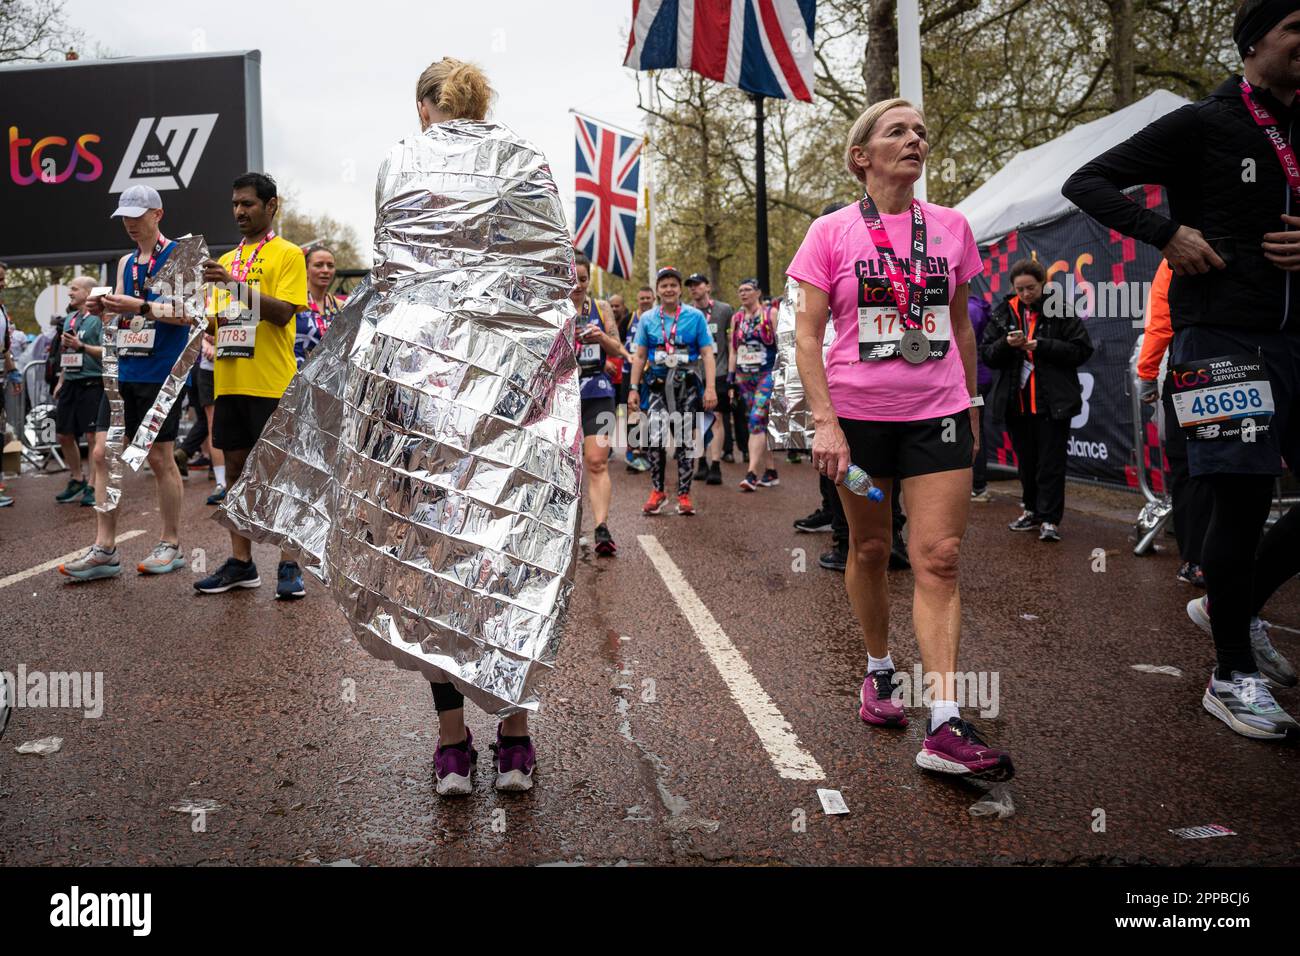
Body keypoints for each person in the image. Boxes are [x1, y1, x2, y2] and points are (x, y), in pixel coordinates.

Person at [1063, 0, 1300, 737]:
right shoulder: (1204, 123)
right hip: (1218, 340)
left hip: (1295, 341)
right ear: (1255, 39)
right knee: (1240, 500)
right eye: (1298, 28)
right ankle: (1231, 674)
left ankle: (1232, 604)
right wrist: (1164, 232)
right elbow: (1089, 181)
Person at [791, 97, 1013, 779]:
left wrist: (972, 402)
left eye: (921, 129)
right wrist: (825, 421)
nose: (915, 138)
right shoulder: (829, 233)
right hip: (857, 428)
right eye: (897, 131)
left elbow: (962, 326)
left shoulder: (951, 228)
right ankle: (879, 670)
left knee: (939, 555)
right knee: (870, 544)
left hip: (938, 414)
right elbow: (806, 334)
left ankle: (944, 720)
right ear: (863, 156)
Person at [59, 187, 191, 579]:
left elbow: (187, 313)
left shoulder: (179, 256)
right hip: (124, 371)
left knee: (158, 458)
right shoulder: (125, 262)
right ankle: (104, 548)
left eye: (138, 215)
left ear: (158, 214)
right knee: (101, 454)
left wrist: (139, 305)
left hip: (161, 372)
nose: (131, 224)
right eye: (125, 217)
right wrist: (103, 310)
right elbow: (121, 321)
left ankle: (170, 543)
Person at [194, 172, 309, 600]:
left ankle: (289, 564)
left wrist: (231, 285)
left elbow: (281, 314)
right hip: (229, 383)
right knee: (236, 477)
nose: (240, 211)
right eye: (235, 205)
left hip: (271, 383)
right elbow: (214, 324)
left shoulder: (289, 254)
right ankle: (242, 564)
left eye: (248, 204)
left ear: (271, 206)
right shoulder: (227, 260)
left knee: (283, 477)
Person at [979, 258, 1093, 542]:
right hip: (1016, 404)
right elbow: (987, 355)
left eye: (1031, 288)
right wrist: (1007, 344)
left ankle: (1050, 520)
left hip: (1052, 402)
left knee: (1051, 463)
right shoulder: (1004, 312)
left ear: (1043, 284)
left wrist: (1042, 346)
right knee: (1027, 462)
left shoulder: (1061, 310)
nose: (1026, 294)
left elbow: (1081, 350)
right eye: (1020, 289)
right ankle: (1031, 510)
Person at [1138, 260, 1212, 587]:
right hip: (1245, 367)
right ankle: (1219, 558)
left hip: (1194, 370)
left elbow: (1162, 319)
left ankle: (1196, 560)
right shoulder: (1264, 239)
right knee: (1236, 469)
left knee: (1190, 468)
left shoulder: (1179, 252)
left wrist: (1147, 373)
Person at [629, 266, 717, 515]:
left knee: (685, 440)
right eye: (664, 285)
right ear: (658, 290)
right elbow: (639, 356)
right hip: (656, 387)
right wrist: (633, 389)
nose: (668, 289)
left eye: (673, 285)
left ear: (679, 289)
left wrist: (710, 388)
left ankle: (684, 495)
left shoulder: (695, 316)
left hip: (686, 387)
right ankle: (658, 491)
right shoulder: (647, 319)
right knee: (654, 438)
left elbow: (708, 354)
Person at [572, 252, 626, 556]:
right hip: (563, 398)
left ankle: (601, 527)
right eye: (573, 278)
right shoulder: (555, 308)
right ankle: (567, 528)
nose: (578, 285)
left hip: (598, 391)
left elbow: (618, 350)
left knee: (596, 461)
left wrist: (601, 338)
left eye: (582, 279)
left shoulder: (601, 308)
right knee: (567, 468)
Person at [52, 277, 103, 506]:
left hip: (92, 382)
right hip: (71, 381)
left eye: (74, 289)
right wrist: (61, 380)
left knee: (92, 436)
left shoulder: (100, 319)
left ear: (89, 292)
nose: (69, 293)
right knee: (63, 433)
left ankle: (92, 485)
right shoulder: (70, 320)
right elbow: (66, 352)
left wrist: (81, 346)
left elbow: (106, 351)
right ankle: (77, 478)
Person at [728, 277, 779, 490]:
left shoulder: (770, 314)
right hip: (744, 377)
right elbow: (733, 350)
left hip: (766, 374)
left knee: (756, 420)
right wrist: (731, 379)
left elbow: (782, 345)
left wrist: (782, 375)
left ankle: (751, 474)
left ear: (758, 292)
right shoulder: (737, 318)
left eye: (748, 289)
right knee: (759, 423)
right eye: (740, 290)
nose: (743, 293)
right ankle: (771, 471)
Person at [686, 272, 732, 484]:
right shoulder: (686, 313)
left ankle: (716, 464)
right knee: (695, 420)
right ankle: (701, 461)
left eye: (697, 284)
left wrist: (733, 373)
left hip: (719, 371)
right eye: (690, 286)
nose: (693, 289)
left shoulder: (724, 310)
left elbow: (731, 341)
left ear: (708, 287)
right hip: (694, 372)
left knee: (717, 418)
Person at [622, 287, 654, 473]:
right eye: (641, 298)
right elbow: (618, 341)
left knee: (649, 413)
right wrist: (627, 356)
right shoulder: (629, 319)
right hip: (630, 373)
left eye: (647, 298)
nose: (644, 301)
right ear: (637, 299)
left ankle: (648, 451)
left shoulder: (657, 319)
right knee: (632, 413)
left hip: (650, 373)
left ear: (653, 298)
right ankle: (633, 451)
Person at [295, 244, 342, 369]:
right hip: (293, 378)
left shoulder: (340, 306)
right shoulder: (293, 302)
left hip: (326, 380)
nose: (325, 270)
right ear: (305, 270)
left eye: (330, 266)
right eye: (318, 265)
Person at [967, 292, 995, 501]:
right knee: (975, 430)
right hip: (979, 378)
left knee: (974, 430)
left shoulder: (971, 309)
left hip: (974, 380)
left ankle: (978, 485)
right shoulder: (978, 306)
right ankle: (978, 484)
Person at [0, 261, 14, 509]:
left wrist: (13, 371)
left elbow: (4, 346)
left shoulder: (1, 308)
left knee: (1, 433)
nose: (2, 283)